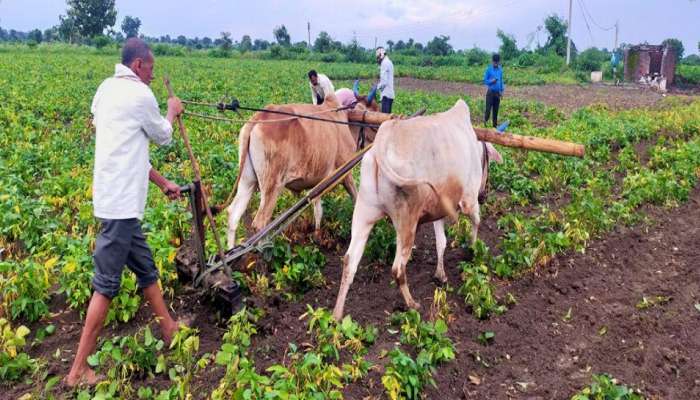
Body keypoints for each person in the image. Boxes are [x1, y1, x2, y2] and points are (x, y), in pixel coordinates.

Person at [65, 37, 186, 387]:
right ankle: (77, 371)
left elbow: (126, 146)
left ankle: (168, 328)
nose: (152, 74)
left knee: (146, 269)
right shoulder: (139, 94)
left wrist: (162, 182)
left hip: (116, 201)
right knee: (105, 286)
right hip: (120, 206)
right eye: (151, 68)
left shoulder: (105, 90)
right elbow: (163, 136)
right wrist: (172, 112)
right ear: (138, 66)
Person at [483, 53, 504, 128]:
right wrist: (492, 81)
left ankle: (494, 127)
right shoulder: (488, 69)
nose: (496, 63)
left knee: (496, 111)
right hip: (490, 93)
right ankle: (485, 123)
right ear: (492, 61)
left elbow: (501, 81)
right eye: (494, 62)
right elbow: (485, 81)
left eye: (497, 62)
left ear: (499, 62)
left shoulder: (500, 69)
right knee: (488, 110)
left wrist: (502, 91)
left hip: (497, 93)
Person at [376, 47, 395, 113]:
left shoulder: (384, 63)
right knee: (388, 117)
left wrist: (377, 87)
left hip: (386, 95)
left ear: (381, 55)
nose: (378, 59)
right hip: (390, 94)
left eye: (378, 57)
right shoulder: (389, 62)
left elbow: (384, 82)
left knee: (385, 118)